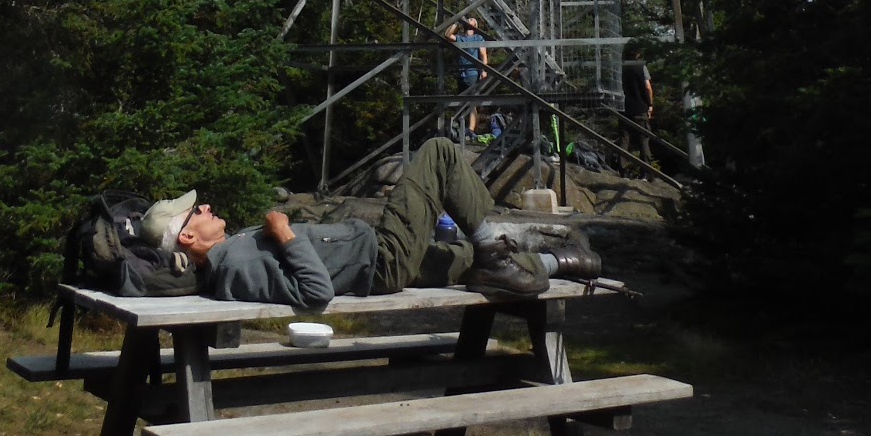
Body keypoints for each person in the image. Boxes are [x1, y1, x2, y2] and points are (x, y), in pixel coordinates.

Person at [157, 138, 600, 308]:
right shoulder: (234, 268)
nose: (207, 207)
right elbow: (316, 293)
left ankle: (561, 261)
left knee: (469, 264)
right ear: (189, 236)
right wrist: (285, 233)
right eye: (197, 212)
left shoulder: (232, 256)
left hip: (381, 261)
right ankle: (491, 247)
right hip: (381, 258)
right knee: (440, 153)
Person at [453, 14, 488, 139]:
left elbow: (484, 55)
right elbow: (447, 35)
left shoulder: (479, 38)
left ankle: (471, 130)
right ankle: (461, 128)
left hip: (473, 73)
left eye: (472, 20)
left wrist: (484, 70)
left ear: (475, 26)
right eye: (468, 21)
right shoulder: (461, 38)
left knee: (472, 102)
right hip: (461, 73)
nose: (469, 21)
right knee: (461, 101)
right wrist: (456, 22)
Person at [620, 45, 654, 168]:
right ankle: (646, 171)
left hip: (624, 107)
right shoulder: (641, 67)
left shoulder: (621, 67)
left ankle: (622, 169)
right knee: (643, 140)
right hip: (640, 107)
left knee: (624, 139)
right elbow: (647, 87)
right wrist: (650, 104)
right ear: (637, 54)